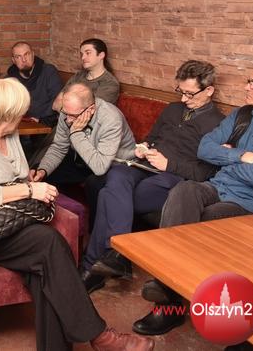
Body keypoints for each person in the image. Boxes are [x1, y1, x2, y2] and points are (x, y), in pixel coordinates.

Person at [0, 78, 154, 351]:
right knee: (50, 242)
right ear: (7, 113)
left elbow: (20, 176)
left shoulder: (10, 135)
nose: (23, 115)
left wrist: (29, 183)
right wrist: (29, 190)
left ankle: (81, 342)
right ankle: (101, 337)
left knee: (45, 271)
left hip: (9, 222)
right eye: (19, 111)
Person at [132, 62, 253, 336]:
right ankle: (169, 287)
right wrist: (240, 155)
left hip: (249, 202)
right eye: (248, 81)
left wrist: (225, 159)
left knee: (203, 219)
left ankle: (167, 297)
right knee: (185, 190)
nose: (247, 87)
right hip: (216, 185)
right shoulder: (242, 114)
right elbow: (204, 149)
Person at [81, 61, 224, 294]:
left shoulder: (218, 124)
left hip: (173, 177)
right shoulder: (173, 109)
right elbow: (152, 137)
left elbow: (206, 172)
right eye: (181, 91)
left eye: (190, 94)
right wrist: (144, 146)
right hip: (144, 164)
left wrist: (169, 164)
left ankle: (98, 263)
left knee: (109, 195)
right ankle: (116, 254)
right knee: (116, 172)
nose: (184, 99)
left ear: (209, 90)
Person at [32, 82, 135, 188]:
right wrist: (43, 170)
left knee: (94, 183)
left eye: (73, 116)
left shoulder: (111, 119)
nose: (68, 120)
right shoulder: (69, 111)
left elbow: (100, 167)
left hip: (114, 166)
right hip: (83, 159)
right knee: (41, 171)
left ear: (91, 109)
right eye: (65, 112)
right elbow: (59, 147)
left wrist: (76, 133)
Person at [53, 38, 120, 112]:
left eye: (88, 53)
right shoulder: (79, 75)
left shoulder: (110, 83)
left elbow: (89, 112)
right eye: (82, 54)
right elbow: (56, 104)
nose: (83, 57)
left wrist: (66, 109)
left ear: (101, 55)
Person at [7, 42, 63, 127]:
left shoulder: (48, 71)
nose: (24, 60)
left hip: (46, 123)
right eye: (18, 57)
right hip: (20, 124)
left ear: (33, 55)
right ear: (13, 60)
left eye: (27, 54)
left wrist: (41, 120)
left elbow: (57, 100)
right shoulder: (11, 79)